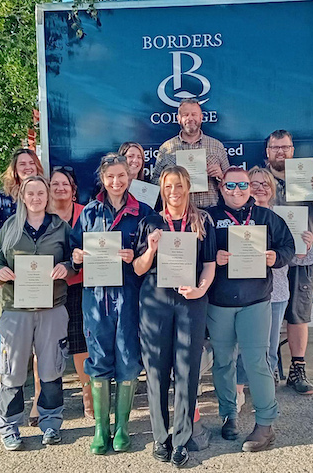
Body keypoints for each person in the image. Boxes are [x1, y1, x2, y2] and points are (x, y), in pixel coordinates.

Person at [206, 167, 296, 452]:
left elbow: (289, 248)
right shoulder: (209, 217)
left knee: (257, 362)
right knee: (222, 362)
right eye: (230, 184)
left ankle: (266, 425)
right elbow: (193, 255)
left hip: (256, 301)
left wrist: (275, 257)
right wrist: (212, 257)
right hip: (219, 302)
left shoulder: (266, 217)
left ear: (250, 187)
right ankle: (229, 415)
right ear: (221, 187)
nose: (237, 190)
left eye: (242, 184)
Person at [70, 153, 155, 455]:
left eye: (121, 176)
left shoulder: (143, 212)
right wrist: (77, 257)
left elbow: (149, 258)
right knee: (99, 357)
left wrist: (136, 256)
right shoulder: (89, 213)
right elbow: (72, 251)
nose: (116, 182)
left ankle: (122, 427)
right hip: (95, 298)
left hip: (130, 296)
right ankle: (100, 428)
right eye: (110, 177)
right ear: (103, 180)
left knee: (128, 357)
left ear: (129, 177)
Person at [133, 166, 217, 468]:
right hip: (155, 299)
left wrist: (200, 289)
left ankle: (181, 439)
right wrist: (152, 249)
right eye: (168, 186)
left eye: (179, 186)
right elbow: (138, 268)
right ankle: (160, 437)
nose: (174, 192)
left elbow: (209, 264)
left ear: (188, 187)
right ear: (161, 188)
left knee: (187, 371)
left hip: (190, 300)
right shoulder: (150, 222)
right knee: (155, 370)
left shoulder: (202, 220)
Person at [0, 176, 75, 450]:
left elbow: (74, 258)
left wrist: (67, 267)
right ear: (23, 197)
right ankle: (9, 426)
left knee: (51, 368)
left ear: (47, 197)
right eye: (31, 193)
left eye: (41, 193)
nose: (36, 198)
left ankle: (51, 423)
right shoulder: (10, 228)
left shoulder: (61, 227)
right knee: (12, 371)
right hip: (17, 310)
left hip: (52, 308)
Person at [234, 167, 313, 409]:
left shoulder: (284, 218)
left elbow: (300, 259)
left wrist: (307, 246)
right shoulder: (236, 216)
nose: (260, 188)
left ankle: (266, 396)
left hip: (275, 292)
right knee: (241, 346)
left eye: (265, 184)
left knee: (268, 347)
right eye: (254, 184)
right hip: (242, 293)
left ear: (272, 190)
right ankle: (238, 391)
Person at [265, 129, 313, 395]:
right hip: (271, 259)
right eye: (275, 147)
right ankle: (268, 369)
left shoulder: (308, 180)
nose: (281, 152)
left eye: (286, 147)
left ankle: (297, 370)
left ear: (293, 150)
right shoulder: (259, 180)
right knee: (265, 315)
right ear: (267, 152)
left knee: (298, 315)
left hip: (301, 258)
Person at [49, 166, 93, 419]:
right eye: (55, 184)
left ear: (73, 189)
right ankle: (44, 401)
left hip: (80, 285)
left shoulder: (85, 214)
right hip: (47, 288)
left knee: (79, 344)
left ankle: (88, 397)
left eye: (65, 184)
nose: (60, 188)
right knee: (45, 344)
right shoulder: (41, 215)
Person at [151, 98, 231, 208]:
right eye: (185, 115)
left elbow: (231, 182)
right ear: (178, 119)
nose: (190, 118)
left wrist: (221, 175)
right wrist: (169, 180)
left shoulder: (216, 146)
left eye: (194, 114)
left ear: (201, 117)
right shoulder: (166, 148)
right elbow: (154, 181)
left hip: (211, 211)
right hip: (178, 212)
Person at [0, 148, 44, 262]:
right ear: (15, 169)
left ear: (37, 167)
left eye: (32, 163)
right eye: (22, 164)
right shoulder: (3, 197)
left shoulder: (47, 194)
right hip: (10, 263)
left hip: (42, 263)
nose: (28, 167)